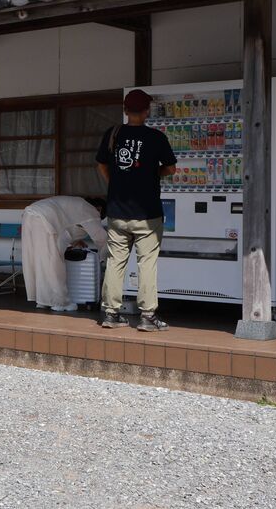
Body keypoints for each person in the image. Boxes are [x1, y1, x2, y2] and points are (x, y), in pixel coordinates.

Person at [96, 88, 177, 331]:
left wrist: (116, 183)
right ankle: (147, 316)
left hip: (117, 212)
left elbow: (101, 165)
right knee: (147, 263)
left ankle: (111, 314)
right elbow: (171, 168)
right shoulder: (156, 137)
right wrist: (153, 173)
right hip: (147, 213)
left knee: (115, 262)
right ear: (146, 111)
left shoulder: (113, 134)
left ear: (125, 110)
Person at [21, 196, 108, 312]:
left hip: (29, 215)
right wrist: (106, 259)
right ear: (99, 209)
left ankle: (43, 301)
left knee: (40, 261)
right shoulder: (90, 209)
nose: (97, 218)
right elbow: (101, 238)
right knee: (54, 263)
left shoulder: (77, 205)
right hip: (44, 218)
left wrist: (75, 241)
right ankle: (60, 303)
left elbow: (66, 229)